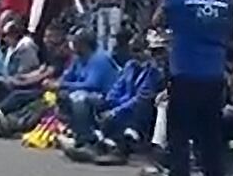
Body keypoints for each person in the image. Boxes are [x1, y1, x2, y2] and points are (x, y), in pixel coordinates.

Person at [156, 0, 233, 176]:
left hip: (185, 70)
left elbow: (160, 20)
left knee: (178, 132)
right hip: (214, 73)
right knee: (210, 133)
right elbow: (230, 31)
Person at [65, 33, 163, 164]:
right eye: (132, 51)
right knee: (82, 100)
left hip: (137, 112)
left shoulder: (153, 71)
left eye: (138, 50)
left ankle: (117, 149)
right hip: (119, 103)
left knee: (119, 116)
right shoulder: (130, 66)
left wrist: (115, 111)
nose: (134, 55)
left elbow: (140, 100)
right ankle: (87, 140)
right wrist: (108, 103)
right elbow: (116, 89)